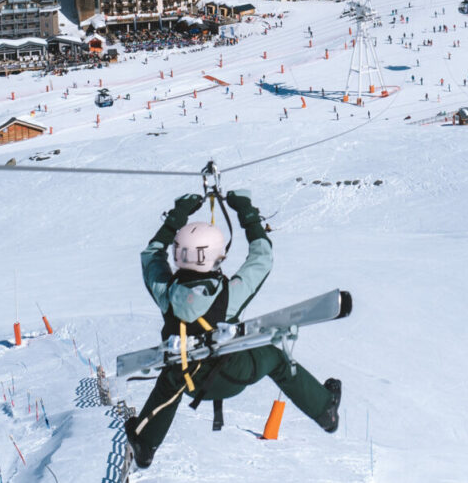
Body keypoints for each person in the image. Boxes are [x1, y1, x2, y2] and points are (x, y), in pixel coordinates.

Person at [124, 191, 342, 469]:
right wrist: (247, 213)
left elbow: (151, 255)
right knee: (275, 358)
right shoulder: (229, 294)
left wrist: (177, 217)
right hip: (232, 375)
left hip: (189, 384)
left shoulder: (166, 294)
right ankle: (325, 411)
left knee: (173, 371)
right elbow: (262, 258)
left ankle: (146, 442)